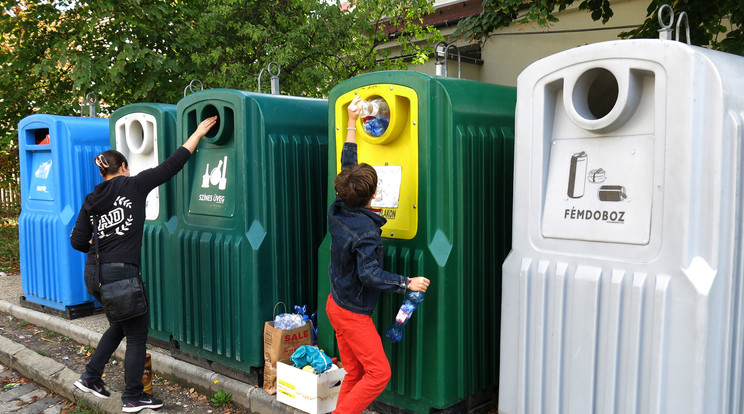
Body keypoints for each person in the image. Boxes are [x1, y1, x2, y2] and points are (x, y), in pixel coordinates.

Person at [70, 115, 218, 413]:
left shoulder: (91, 200)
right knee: (137, 335)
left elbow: (77, 241)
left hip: (95, 276)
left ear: (102, 174)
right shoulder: (134, 185)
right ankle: (133, 397)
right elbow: (173, 163)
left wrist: (101, 240)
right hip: (122, 276)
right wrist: (199, 133)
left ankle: (90, 377)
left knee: (119, 327)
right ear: (123, 167)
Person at [325, 97, 430, 414]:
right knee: (379, 373)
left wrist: (352, 121)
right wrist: (407, 282)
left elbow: (348, 163)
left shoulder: (341, 205)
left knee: (355, 372)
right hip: (353, 314)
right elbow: (369, 274)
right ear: (372, 196)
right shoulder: (366, 232)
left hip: (336, 304)